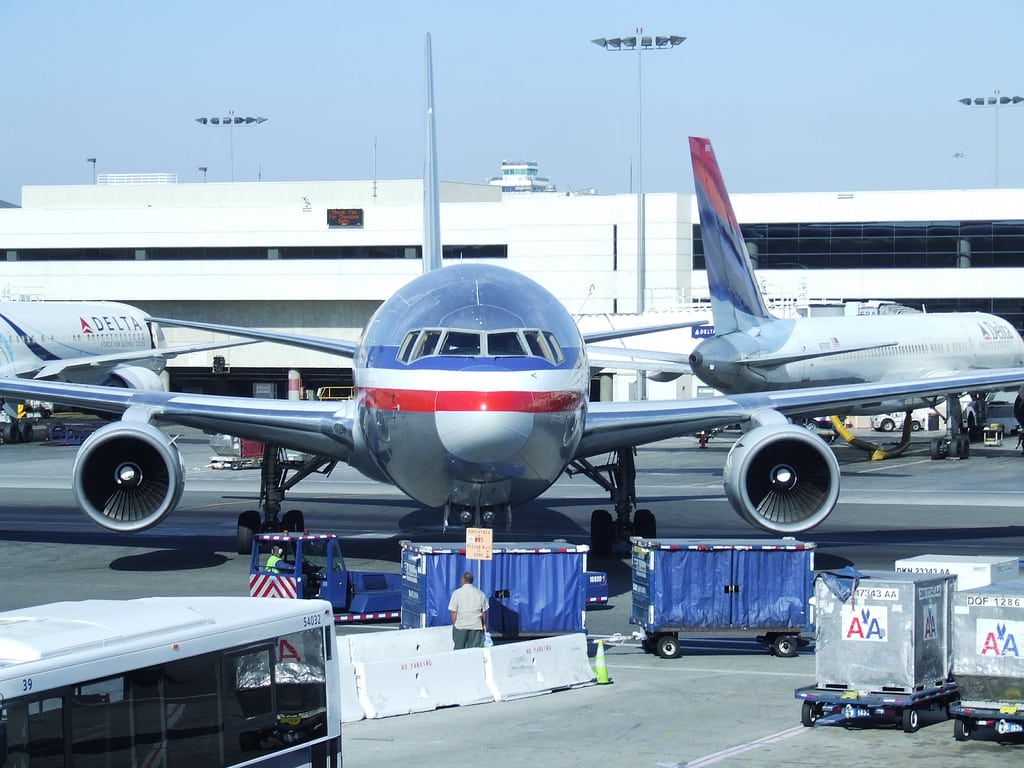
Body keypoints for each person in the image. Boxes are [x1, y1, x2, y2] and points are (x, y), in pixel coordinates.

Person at [448, 571, 488, 649]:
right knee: (475, 650)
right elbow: (484, 612)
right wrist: (484, 624)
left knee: (459, 649)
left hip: (461, 625)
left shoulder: (457, 593)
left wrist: (455, 624)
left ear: (463, 580)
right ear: (472, 580)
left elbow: (453, 612)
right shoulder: (480, 593)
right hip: (476, 626)